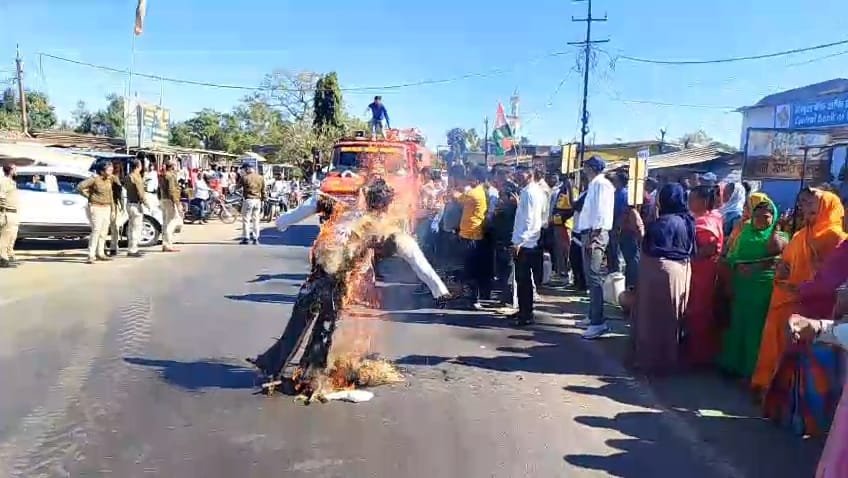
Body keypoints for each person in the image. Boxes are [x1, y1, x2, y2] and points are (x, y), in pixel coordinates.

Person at [759, 190, 846, 436]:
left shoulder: (835, 237)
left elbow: (829, 280)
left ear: (829, 207)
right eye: (804, 201)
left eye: (813, 202)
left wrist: (805, 287)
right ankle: (792, 414)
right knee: (792, 362)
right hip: (796, 303)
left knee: (816, 371)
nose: (806, 206)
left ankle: (812, 424)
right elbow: (787, 260)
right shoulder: (802, 234)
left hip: (821, 311)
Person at [717, 193, 785, 378]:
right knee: (737, 325)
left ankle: (751, 370)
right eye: (757, 215)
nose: (761, 220)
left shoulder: (779, 237)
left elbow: (775, 257)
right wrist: (733, 269)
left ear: (774, 217)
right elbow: (732, 254)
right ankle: (732, 365)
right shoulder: (745, 230)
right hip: (740, 286)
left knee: (755, 330)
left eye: (766, 216)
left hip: (762, 290)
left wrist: (774, 231)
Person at [629, 183, 695, 373]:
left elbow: (650, 246)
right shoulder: (687, 220)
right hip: (681, 273)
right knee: (672, 319)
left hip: (659, 275)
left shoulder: (665, 222)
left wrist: (640, 228)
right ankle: (669, 359)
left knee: (652, 319)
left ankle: (651, 361)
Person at [575, 156, 616, 339]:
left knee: (594, 275)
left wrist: (593, 237)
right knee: (590, 275)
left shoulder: (602, 184)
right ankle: (593, 315)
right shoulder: (594, 184)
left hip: (595, 234)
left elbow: (600, 212)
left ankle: (598, 322)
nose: (583, 170)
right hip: (589, 233)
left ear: (592, 167)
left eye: (585, 166)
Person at [684, 185, 724, 366]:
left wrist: (686, 255)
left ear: (703, 201)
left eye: (692, 198)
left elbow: (709, 248)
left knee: (699, 313)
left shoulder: (705, 223)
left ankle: (700, 357)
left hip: (702, 272)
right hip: (701, 271)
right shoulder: (712, 217)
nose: (689, 202)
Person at [511, 165, 546, 325]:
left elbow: (530, 220)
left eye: (521, 173)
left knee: (523, 280)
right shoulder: (529, 191)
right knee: (522, 280)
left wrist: (520, 242)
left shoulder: (531, 193)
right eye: (516, 173)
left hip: (527, 243)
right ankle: (523, 310)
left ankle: (526, 314)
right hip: (526, 241)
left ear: (530, 175)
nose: (517, 176)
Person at [452, 166, 490, 308]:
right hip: (472, 235)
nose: (468, 180)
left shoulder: (474, 193)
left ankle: (473, 299)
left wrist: (454, 188)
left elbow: (458, 198)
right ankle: (470, 296)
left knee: (470, 269)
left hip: (471, 236)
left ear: (477, 179)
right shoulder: (479, 191)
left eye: (471, 178)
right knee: (470, 268)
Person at [77, 161, 116, 264]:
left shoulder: (109, 180)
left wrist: (113, 209)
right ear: (102, 171)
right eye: (109, 169)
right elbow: (80, 187)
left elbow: (111, 195)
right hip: (96, 207)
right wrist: (89, 197)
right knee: (96, 230)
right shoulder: (94, 179)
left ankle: (101, 253)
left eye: (111, 169)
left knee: (104, 232)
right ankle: (91, 255)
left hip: (106, 207)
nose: (111, 171)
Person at [491, 174, 519, 309]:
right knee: (502, 273)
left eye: (503, 195)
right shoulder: (501, 209)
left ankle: (509, 301)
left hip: (508, 243)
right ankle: (504, 298)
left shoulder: (514, 210)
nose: (500, 199)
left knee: (508, 273)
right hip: (500, 243)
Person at [550, 173, 577, 281]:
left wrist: (556, 220)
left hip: (565, 225)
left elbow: (568, 210)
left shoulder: (571, 191)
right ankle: (561, 272)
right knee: (560, 251)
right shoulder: (562, 190)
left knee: (565, 251)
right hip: (558, 224)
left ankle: (565, 274)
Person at [123, 159, 149, 257]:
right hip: (135, 204)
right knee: (136, 228)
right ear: (138, 166)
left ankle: (131, 248)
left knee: (131, 228)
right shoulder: (137, 177)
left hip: (129, 203)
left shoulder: (127, 176)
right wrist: (146, 204)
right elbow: (140, 193)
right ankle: (133, 249)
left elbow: (125, 187)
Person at [240, 163, 266, 245]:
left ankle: (246, 237)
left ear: (247, 169)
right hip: (257, 200)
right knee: (256, 220)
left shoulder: (245, 178)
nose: (243, 171)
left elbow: (237, 187)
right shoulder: (260, 178)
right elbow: (263, 190)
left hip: (248, 200)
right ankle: (255, 238)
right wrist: (263, 200)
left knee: (246, 219)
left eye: (244, 169)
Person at [159, 160, 182, 253]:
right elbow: (172, 190)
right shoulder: (170, 176)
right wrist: (177, 203)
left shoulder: (162, 176)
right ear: (172, 166)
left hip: (163, 199)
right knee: (172, 221)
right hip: (169, 200)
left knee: (165, 222)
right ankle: (168, 244)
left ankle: (165, 244)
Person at [0, 163, 20, 268]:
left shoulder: (12, 182)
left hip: (13, 213)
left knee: (11, 237)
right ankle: (3, 260)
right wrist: (3, 210)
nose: (17, 170)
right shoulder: (4, 182)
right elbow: (1, 196)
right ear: (10, 170)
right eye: (15, 168)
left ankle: (8, 257)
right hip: (7, 213)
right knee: (5, 238)